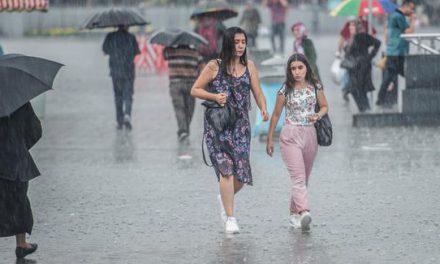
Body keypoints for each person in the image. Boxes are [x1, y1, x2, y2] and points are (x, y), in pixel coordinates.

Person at [191, 27, 269, 234]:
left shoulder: (250, 66)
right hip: (218, 126)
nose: (241, 45)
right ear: (228, 43)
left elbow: (258, 92)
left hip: (241, 127)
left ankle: (224, 197)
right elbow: (195, 89)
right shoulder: (214, 66)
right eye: (237, 42)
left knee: (241, 176)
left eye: (243, 41)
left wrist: (263, 108)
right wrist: (215, 97)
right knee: (226, 170)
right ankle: (230, 218)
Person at [266, 53, 328, 231]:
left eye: (300, 67)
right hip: (290, 135)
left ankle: (294, 213)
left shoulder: (316, 86)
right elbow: (276, 115)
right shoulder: (285, 90)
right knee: (298, 178)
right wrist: (270, 139)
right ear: (289, 71)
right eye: (293, 69)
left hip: (310, 134)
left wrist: (319, 114)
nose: (297, 72)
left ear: (307, 68)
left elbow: (324, 106)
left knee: (304, 178)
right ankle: (304, 212)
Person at [0, 102, 42, 259]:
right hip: (15, 161)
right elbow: (35, 130)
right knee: (19, 202)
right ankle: (21, 243)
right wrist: (19, 146)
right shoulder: (17, 99)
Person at [376, 0, 416, 108]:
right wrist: (413, 20)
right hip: (396, 53)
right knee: (403, 75)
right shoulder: (398, 16)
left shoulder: (395, 15)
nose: (412, 11)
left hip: (395, 52)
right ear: (405, 6)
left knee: (396, 76)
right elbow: (408, 31)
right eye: (411, 8)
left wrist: (389, 46)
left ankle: (382, 100)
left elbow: (387, 33)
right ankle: (380, 100)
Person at [163, 45, 204, 142]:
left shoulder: (170, 51)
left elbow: (164, 56)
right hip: (191, 85)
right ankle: (184, 130)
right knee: (189, 109)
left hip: (175, 84)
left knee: (179, 108)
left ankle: (183, 130)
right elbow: (203, 69)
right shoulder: (195, 53)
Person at [103, 25, 140, 130]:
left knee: (118, 96)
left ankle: (119, 121)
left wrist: (115, 51)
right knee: (128, 95)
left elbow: (105, 50)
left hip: (115, 71)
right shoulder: (131, 37)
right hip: (128, 71)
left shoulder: (110, 37)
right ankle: (127, 114)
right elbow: (137, 52)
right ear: (127, 26)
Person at [344, 21, 381, 112]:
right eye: (350, 27)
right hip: (353, 68)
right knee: (354, 89)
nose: (350, 28)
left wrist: (369, 57)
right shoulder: (351, 38)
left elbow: (377, 43)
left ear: (357, 27)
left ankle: (365, 110)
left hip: (362, 67)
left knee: (359, 88)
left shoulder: (362, 36)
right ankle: (364, 109)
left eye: (352, 27)